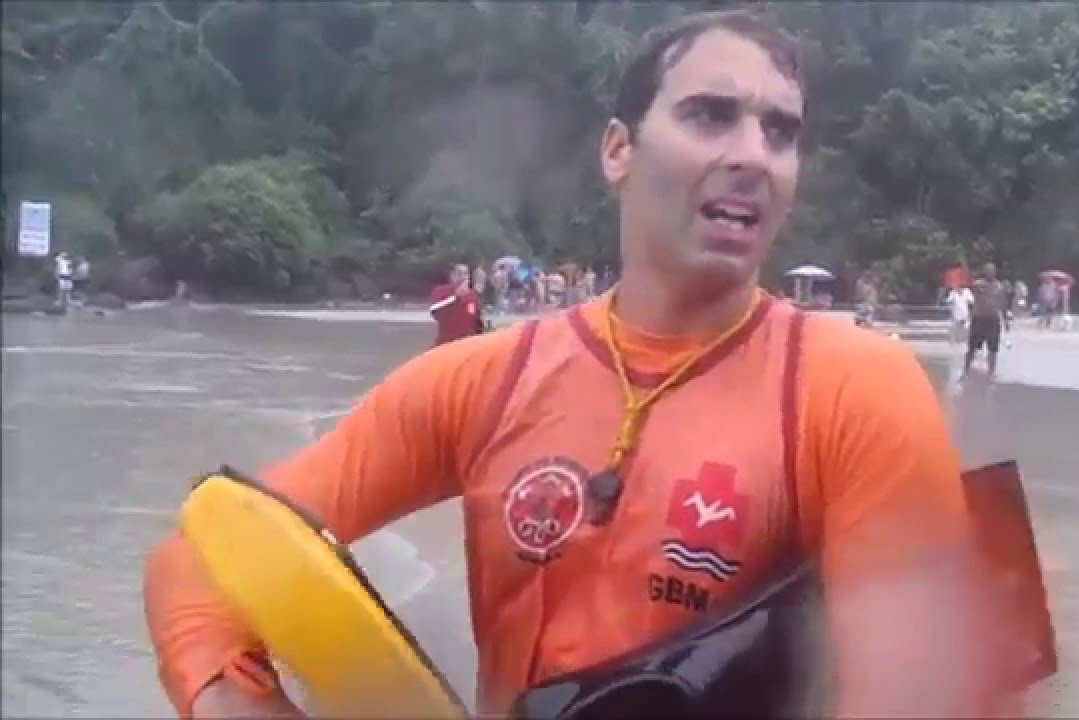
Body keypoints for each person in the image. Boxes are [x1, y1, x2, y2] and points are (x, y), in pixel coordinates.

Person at [143, 10, 1004, 719]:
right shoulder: (480, 384)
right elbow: (196, 560)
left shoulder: (851, 390)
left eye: (781, 131)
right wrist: (239, 702)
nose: (753, 153)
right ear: (619, 151)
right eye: (711, 115)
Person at [964, 262, 1008, 378]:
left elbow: (1003, 304)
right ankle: (966, 371)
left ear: (995, 272)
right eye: (988, 270)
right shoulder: (978, 285)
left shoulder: (999, 287)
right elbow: (968, 284)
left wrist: (1005, 321)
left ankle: (991, 373)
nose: (990, 273)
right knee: (972, 348)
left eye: (992, 270)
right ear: (984, 272)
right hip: (978, 318)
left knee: (993, 349)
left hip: (993, 320)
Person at [427, 263, 482, 347]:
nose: (463, 276)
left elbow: (476, 321)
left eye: (465, 273)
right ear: (452, 275)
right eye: (459, 273)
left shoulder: (472, 296)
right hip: (446, 344)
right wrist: (455, 296)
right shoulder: (441, 290)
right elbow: (433, 309)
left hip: (467, 345)